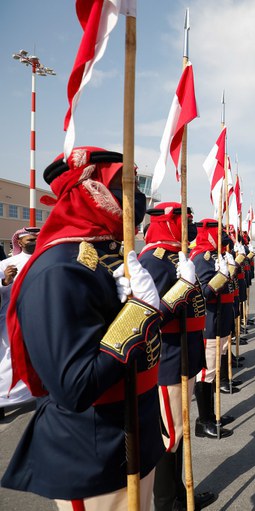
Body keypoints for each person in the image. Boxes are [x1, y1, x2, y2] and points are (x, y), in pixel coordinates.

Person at [0, 147, 176, 508]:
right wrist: (138, 311)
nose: (137, 197)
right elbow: (74, 387)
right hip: (95, 454)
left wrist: (147, 310)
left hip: (133, 438)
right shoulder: (59, 269)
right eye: (126, 185)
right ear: (90, 189)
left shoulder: (106, 257)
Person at [138, 203, 216, 511]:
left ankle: (182, 495)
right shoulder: (155, 261)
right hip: (168, 359)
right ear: (169, 224)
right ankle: (167, 503)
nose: (191, 228)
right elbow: (148, 317)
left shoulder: (176, 258)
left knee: (180, 433)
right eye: (186, 222)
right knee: (169, 437)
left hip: (185, 354)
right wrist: (182, 287)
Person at [191, 219, 237, 437]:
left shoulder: (215, 257)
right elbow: (204, 295)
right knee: (207, 372)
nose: (224, 238)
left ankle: (213, 414)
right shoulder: (202, 258)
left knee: (214, 370)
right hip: (210, 322)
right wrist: (221, 276)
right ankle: (204, 420)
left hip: (221, 320)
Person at [0, 228, 39, 419]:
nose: (35, 241)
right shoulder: (7, 263)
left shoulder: (44, 258)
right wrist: (6, 281)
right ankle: (2, 400)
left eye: (38, 238)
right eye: (31, 239)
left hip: (39, 316)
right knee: (10, 358)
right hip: (13, 317)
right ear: (20, 242)